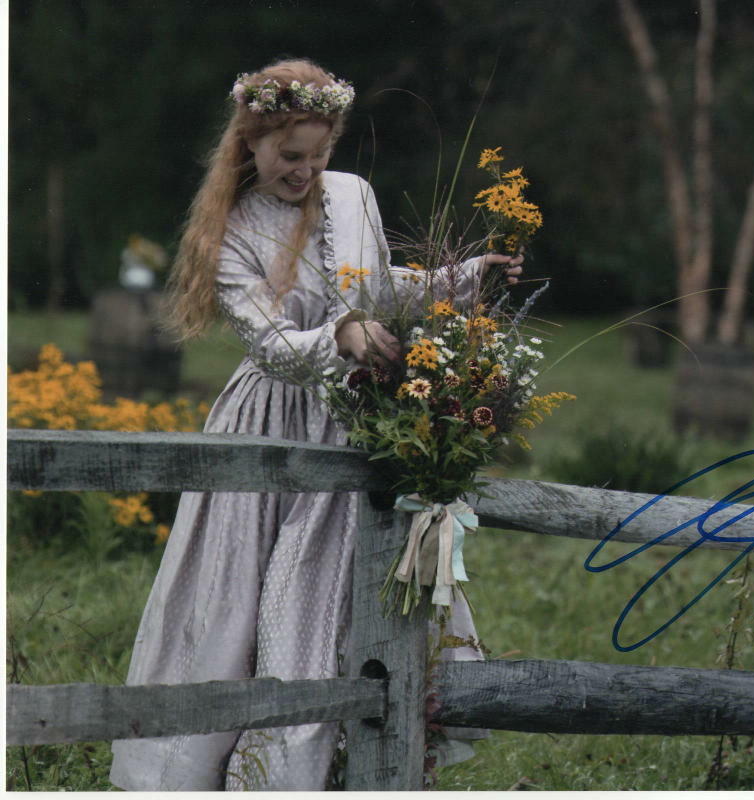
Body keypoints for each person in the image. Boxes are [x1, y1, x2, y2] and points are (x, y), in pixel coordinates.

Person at [109, 58, 523, 791]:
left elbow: (377, 284)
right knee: (246, 597)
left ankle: (350, 757)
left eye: (318, 154)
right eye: (287, 156)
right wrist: (338, 338)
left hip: (355, 417)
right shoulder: (231, 231)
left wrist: (460, 281)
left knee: (341, 586)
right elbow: (271, 343)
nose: (304, 171)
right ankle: (242, 765)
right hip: (273, 424)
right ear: (250, 144)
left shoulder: (352, 196)